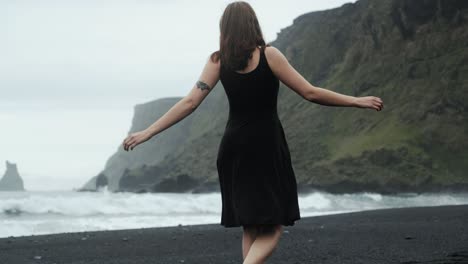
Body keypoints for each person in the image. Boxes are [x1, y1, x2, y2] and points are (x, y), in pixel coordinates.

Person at [123, 1, 383, 263]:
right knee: (274, 224)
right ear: (252, 23)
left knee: (251, 224)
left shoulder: (217, 60)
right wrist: (356, 100)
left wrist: (148, 132)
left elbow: (189, 103)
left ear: (224, 28)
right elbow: (310, 92)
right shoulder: (269, 55)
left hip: (233, 148)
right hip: (265, 145)